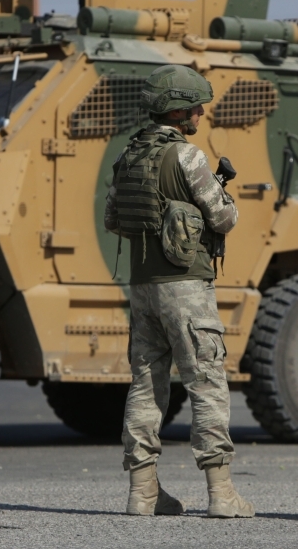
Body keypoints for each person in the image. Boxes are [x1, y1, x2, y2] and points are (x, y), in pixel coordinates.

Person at [105, 64, 254, 519]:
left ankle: (143, 493)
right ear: (178, 109)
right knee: (206, 381)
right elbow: (224, 219)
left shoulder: (129, 155)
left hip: (143, 286)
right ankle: (222, 494)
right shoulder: (188, 157)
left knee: (146, 385)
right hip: (186, 287)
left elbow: (113, 219)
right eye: (195, 106)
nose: (201, 113)